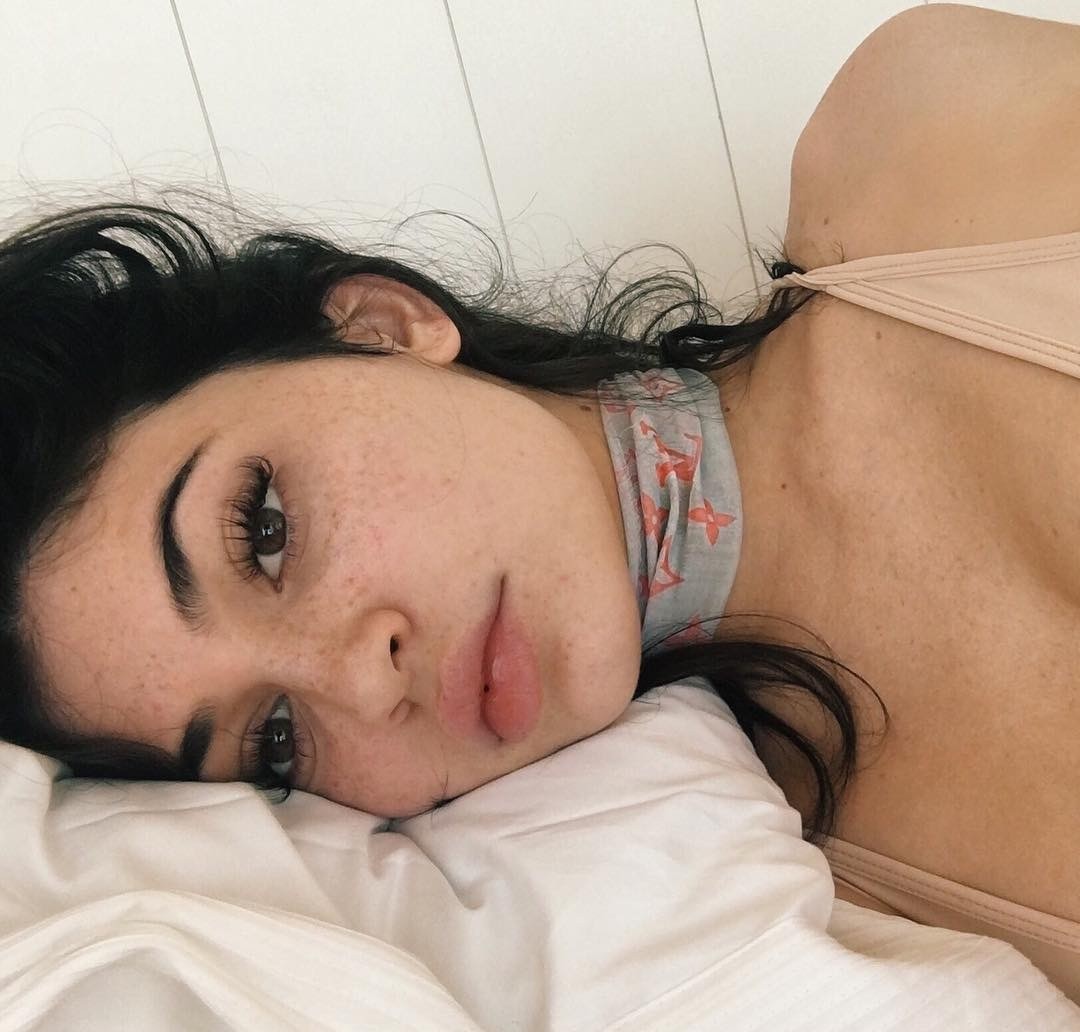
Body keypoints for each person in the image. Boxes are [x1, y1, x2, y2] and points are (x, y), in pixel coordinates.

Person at [3, 0, 1080, 1001]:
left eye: (265, 531)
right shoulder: (836, 929)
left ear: (382, 326)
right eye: (275, 742)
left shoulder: (914, 143)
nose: (361, 682)